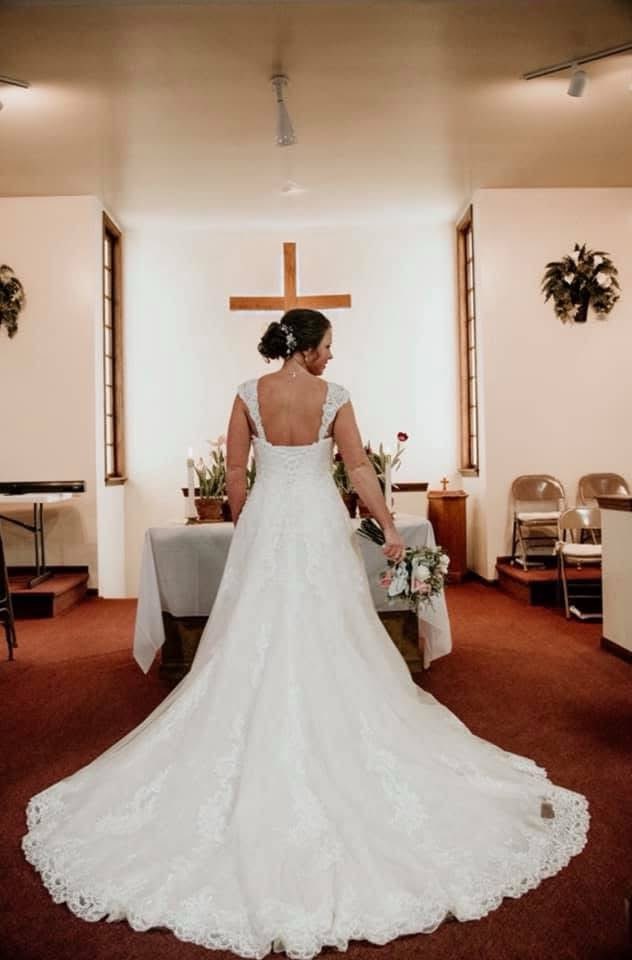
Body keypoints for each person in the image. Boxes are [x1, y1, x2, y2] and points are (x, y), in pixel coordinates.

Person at [23, 308, 589, 960]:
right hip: (319, 522)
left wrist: (250, 525)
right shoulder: (335, 398)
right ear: (310, 346)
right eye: (329, 346)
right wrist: (391, 527)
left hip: (267, 521)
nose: (332, 357)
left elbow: (235, 476)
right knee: (333, 626)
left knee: (254, 631)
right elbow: (359, 472)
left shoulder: (246, 394)